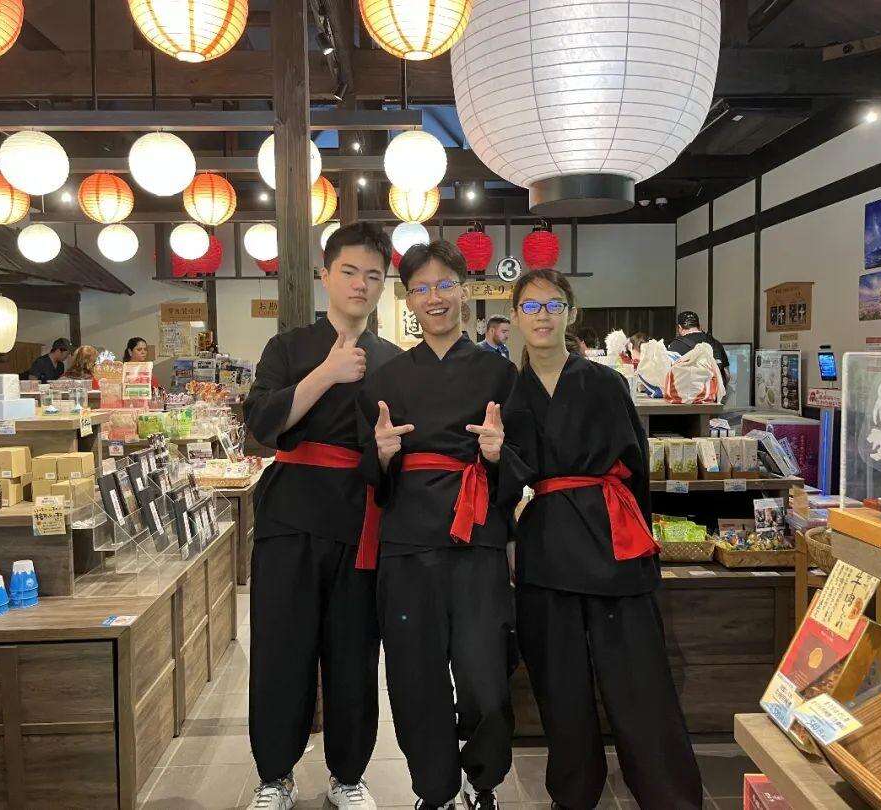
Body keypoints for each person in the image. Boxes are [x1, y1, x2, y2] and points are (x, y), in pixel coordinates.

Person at [503, 269, 702, 810]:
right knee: (560, 686)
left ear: (571, 312)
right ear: (516, 317)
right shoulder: (509, 394)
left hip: (612, 540)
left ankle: (670, 797)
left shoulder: (606, 383)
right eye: (530, 306)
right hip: (546, 546)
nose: (542, 315)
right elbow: (504, 480)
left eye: (553, 304)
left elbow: (636, 471)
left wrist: (644, 546)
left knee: (639, 681)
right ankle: (573, 794)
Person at [358, 240, 526, 810]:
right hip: (407, 543)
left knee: (484, 676)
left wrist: (499, 454)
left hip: (477, 539)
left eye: (445, 285)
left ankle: (482, 781)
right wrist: (381, 455)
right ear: (408, 299)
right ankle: (434, 789)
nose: (435, 297)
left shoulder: (500, 373)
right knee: (415, 676)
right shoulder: (387, 378)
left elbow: (521, 463)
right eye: (421, 288)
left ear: (465, 290)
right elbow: (368, 470)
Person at [243, 222, 400, 810]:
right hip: (290, 515)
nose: (361, 284)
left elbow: (394, 450)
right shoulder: (288, 348)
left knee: (354, 652)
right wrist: (326, 374)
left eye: (374, 276)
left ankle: (348, 775)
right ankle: (274, 776)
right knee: (281, 649)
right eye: (350, 272)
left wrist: (387, 455)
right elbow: (262, 424)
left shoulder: (392, 360)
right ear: (326, 275)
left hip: (360, 519)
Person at [667, 311, 730, 386]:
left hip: (689, 391)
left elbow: (669, 376)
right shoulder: (715, 343)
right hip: (713, 391)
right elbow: (727, 375)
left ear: (680, 328)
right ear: (699, 326)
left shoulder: (675, 346)